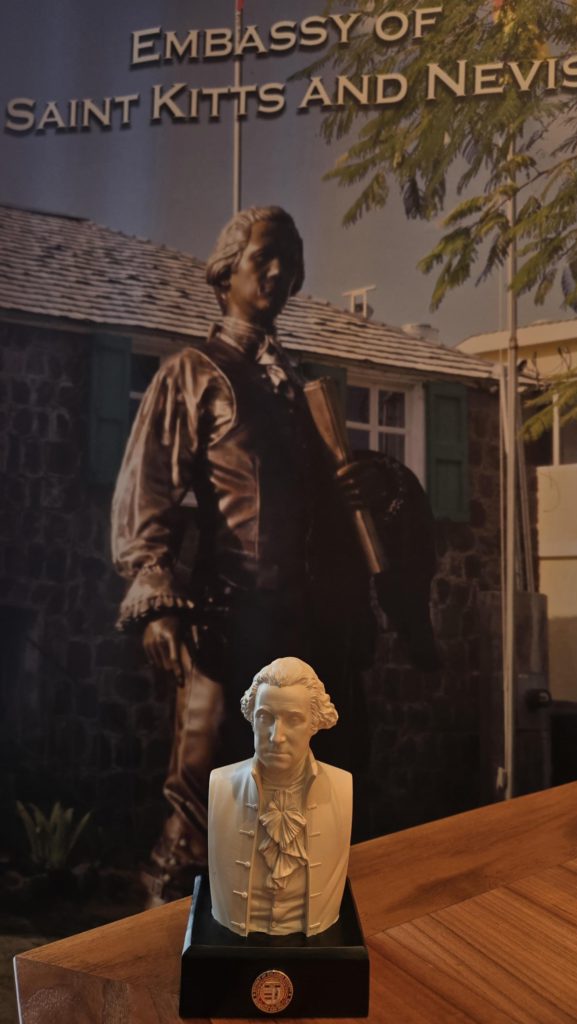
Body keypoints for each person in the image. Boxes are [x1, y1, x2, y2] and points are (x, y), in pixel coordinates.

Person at [111, 206, 378, 904]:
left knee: (297, 819)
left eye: (290, 261)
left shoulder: (301, 391)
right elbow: (149, 489)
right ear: (228, 269)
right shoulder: (193, 373)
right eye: (265, 258)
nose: (279, 273)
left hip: (304, 635)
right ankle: (165, 957)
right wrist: (156, 600)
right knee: (201, 812)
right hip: (227, 627)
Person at [208, 657, 351, 937]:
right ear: (252, 719)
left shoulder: (342, 786)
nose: (277, 736)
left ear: (314, 723)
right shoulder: (221, 785)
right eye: (265, 717)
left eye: (294, 719)